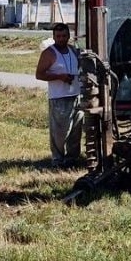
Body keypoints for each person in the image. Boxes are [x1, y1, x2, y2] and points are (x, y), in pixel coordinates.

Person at [35, 22, 83, 168]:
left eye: (64, 36)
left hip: (76, 96)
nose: (61, 39)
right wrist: (59, 77)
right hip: (59, 97)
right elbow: (39, 74)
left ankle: (72, 159)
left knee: (76, 131)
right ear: (54, 37)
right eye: (58, 36)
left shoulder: (74, 50)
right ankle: (57, 160)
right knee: (60, 133)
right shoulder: (49, 53)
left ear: (69, 36)